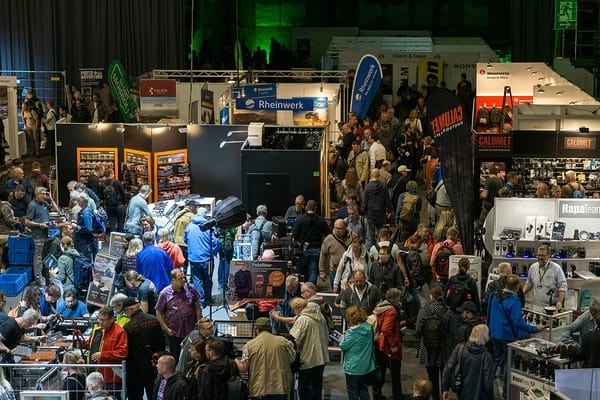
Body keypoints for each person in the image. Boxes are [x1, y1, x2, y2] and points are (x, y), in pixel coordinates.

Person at [487, 275, 543, 400]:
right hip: (508, 337)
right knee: (509, 363)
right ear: (517, 287)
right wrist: (535, 329)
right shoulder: (514, 301)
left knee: (495, 360)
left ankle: (486, 386)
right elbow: (518, 322)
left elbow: (489, 313)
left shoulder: (494, 295)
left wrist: (489, 329)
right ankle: (506, 393)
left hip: (494, 333)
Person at [235, 317, 296, 400]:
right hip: (280, 387)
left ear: (257, 329)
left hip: (259, 388)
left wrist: (235, 359)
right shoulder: (283, 341)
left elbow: (243, 368)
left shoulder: (249, 345)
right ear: (270, 328)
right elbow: (292, 358)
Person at [415, 286, 454, 400]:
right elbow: (452, 331)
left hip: (428, 348)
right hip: (443, 349)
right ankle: (444, 396)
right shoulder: (447, 311)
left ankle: (435, 397)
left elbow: (418, 329)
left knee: (432, 376)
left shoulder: (424, 310)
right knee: (444, 376)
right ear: (441, 296)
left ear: (431, 296)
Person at [155, 268, 201, 364]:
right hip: (174, 332)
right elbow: (158, 312)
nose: (184, 280)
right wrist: (166, 328)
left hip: (190, 330)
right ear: (173, 280)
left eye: (184, 277)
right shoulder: (165, 293)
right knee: (174, 356)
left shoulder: (190, 289)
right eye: (181, 278)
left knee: (192, 355)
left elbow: (197, 306)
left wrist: (198, 322)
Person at [123, 297, 165, 400]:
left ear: (129, 310)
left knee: (135, 396)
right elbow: (162, 343)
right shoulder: (154, 320)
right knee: (154, 395)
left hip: (136, 369)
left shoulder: (128, 327)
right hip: (154, 365)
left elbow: (127, 350)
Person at [289, 297, 330, 400]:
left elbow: (294, 340)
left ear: (297, 308)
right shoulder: (320, 317)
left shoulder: (303, 319)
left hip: (307, 361)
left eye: (293, 309)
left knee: (305, 391)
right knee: (317, 389)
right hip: (321, 360)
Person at [441, 324, 494, 400]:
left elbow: (448, 368)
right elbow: (488, 382)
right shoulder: (486, 356)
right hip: (480, 394)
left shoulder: (460, 348)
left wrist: (445, 389)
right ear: (485, 337)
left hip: (462, 391)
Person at [85, 306, 129, 399]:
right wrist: (81, 344)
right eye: (99, 319)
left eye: (104, 320)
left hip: (111, 377)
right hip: (95, 374)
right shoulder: (97, 328)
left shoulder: (119, 332)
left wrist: (103, 355)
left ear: (112, 319)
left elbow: (122, 352)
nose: (101, 322)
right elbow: (90, 344)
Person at [372, 288, 404, 400]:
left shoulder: (379, 307)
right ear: (394, 298)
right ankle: (397, 396)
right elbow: (386, 330)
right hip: (388, 347)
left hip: (378, 344)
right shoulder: (391, 311)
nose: (399, 300)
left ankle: (377, 394)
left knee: (379, 370)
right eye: (399, 298)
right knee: (395, 373)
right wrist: (393, 345)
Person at [184, 208, 221, 306]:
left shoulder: (190, 226)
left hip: (193, 258)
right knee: (207, 279)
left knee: (196, 280)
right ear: (205, 215)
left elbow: (185, 240)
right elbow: (216, 242)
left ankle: (200, 301)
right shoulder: (210, 227)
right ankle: (208, 300)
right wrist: (213, 252)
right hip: (207, 258)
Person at [339, 305, 375, 400]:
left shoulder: (352, 332)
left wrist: (344, 336)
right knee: (362, 388)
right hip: (365, 365)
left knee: (352, 390)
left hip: (353, 366)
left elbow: (343, 346)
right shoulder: (368, 327)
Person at [25, 185, 58, 285]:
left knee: (45, 255)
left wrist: (51, 198)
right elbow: (27, 222)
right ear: (36, 194)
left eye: (45, 194)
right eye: (42, 194)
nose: (44, 196)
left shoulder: (44, 203)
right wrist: (40, 224)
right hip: (38, 235)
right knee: (38, 257)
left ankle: (46, 276)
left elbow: (55, 209)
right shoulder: (32, 205)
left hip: (46, 234)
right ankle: (38, 279)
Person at [292, 199, 331, 284]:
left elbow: (294, 234)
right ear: (315, 208)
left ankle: (301, 289)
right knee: (313, 270)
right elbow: (329, 234)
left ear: (306, 207)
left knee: (301, 270)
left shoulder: (300, 219)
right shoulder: (321, 220)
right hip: (316, 248)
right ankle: (311, 289)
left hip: (303, 249)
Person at [319, 218, 355, 287]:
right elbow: (323, 255)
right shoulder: (329, 239)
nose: (337, 230)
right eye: (335, 228)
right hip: (334, 271)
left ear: (345, 228)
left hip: (349, 271)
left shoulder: (352, 237)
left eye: (340, 228)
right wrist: (322, 271)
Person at [362, 168, 393, 248]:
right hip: (381, 213)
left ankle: (372, 250)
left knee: (370, 235)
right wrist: (388, 210)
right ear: (378, 175)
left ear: (371, 175)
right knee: (381, 233)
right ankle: (382, 249)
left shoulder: (368, 187)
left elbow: (365, 201)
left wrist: (363, 212)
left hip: (370, 214)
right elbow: (387, 199)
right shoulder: (383, 186)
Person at [173, 198, 201, 266]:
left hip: (177, 243)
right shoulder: (192, 217)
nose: (197, 209)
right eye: (195, 207)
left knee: (181, 264)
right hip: (186, 244)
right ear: (191, 207)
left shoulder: (178, 214)